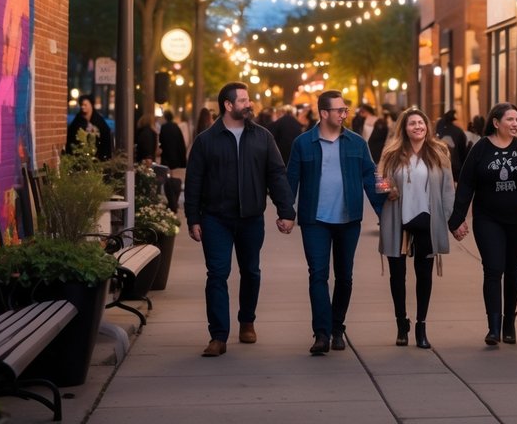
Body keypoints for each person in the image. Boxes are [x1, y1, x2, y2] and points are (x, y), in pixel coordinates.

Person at [184, 83, 295, 357]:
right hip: (215, 219)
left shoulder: (263, 137)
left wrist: (286, 211)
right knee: (217, 275)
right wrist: (193, 218)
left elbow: (277, 174)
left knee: (251, 271)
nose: (249, 104)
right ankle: (218, 336)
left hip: (251, 218)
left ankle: (247, 321)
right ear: (228, 105)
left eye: (248, 99)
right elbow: (194, 182)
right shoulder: (206, 141)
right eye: (243, 100)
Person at [287, 90, 386, 355]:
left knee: (344, 277)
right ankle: (321, 333)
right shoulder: (303, 143)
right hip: (314, 220)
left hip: (348, 219)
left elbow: (371, 177)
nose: (344, 114)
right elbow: (291, 179)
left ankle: (337, 327)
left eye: (345, 110)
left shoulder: (356, 143)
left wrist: (385, 213)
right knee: (317, 275)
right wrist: (286, 212)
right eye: (339, 110)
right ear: (323, 113)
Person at [448, 102, 517, 346]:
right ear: (496, 122)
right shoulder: (480, 149)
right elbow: (467, 184)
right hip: (487, 219)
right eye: (510, 119)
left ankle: (509, 323)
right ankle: (493, 327)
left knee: (512, 270)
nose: (515, 124)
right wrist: (456, 219)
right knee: (493, 269)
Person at [377, 108, 455, 349]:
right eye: (412, 123)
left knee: (424, 275)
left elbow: (447, 188)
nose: (417, 127)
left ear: (427, 126)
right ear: (404, 128)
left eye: (421, 123)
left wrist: (448, 219)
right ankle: (402, 323)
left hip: (427, 220)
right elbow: (379, 180)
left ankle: (421, 325)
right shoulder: (392, 152)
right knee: (397, 276)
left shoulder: (439, 151)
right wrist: (388, 189)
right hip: (398, 220)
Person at [67, 95, 113, 160]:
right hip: (80, 155)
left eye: (85, 105)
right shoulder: (78, 119)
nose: (83, 107)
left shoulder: (98, 120)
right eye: (81, 105)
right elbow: (71, 134)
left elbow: (105, 135)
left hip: (97, 155)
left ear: (91, 105)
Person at [436, 109, 469, 183]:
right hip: (456, 169)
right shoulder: (459, 132)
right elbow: (463, 152)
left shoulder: (439, 130)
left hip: (440, 168)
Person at [159, 109, 188, 179]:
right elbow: (181, 143)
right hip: (175, 155)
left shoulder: (163, 127)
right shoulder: (176, 127)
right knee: (173, 173)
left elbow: (161, 141)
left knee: (167, 173)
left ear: (165, 117)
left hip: (166, 155)